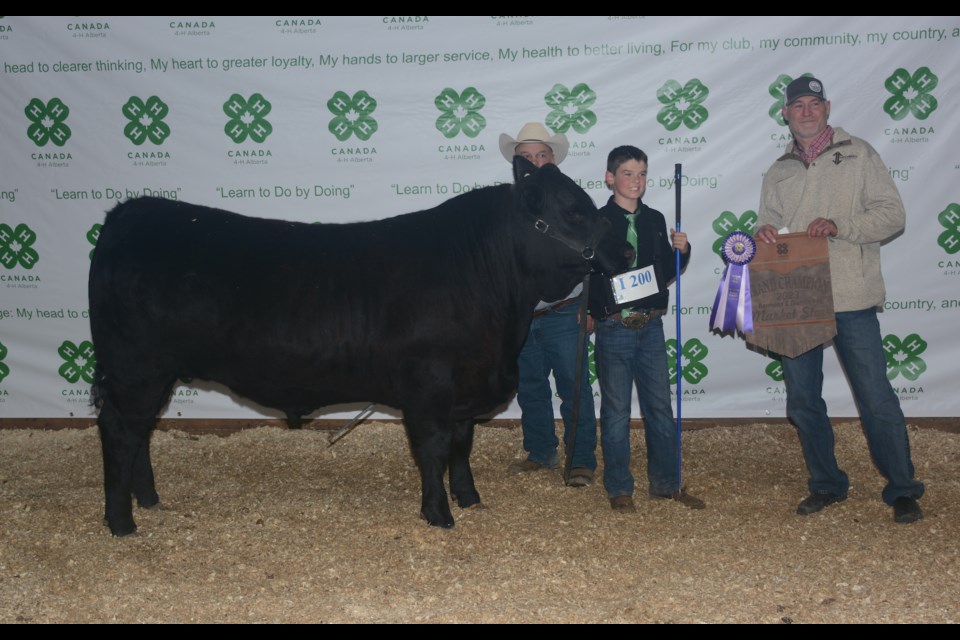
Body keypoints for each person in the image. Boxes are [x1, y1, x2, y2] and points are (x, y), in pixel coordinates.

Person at [755, 76, 925, 524]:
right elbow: (765, 224)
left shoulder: (861, 153)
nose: (806, 111)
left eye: (814, 103)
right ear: (786, 114)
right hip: (797, 297)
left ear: (827, 108)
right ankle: (827, 483)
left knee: (875, 395)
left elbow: (893, 214)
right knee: (803, 399)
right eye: (798, 106)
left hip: (851, 292)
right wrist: (764, 234)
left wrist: (839, 225)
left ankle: (903, 488)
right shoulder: (779, 170)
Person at [589, 145, 704, 512]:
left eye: (641, 174)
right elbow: (588, 276)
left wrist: (681, 253)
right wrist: (593, 310)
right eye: (627, 173)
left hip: (651, 326)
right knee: (616, 411)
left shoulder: (654, 220)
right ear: (610, 178)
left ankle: (666, 483)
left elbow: (662, 277)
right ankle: (619, 487)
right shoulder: (596, 223)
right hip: (614, 326)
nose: (635, 181)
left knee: (660, 408)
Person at [499, 122, 598, 488]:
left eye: (541, 155)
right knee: (530, 386)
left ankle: (581, 459)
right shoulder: (510, 207)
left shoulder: (569, 201)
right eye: (526, 157)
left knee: (573, 386)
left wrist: (589, 306)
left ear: (553, 160)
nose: (534, 162)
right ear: (517, 163)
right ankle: (541, 451)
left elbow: (591, 251)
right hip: (525, 315)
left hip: (564, 310)